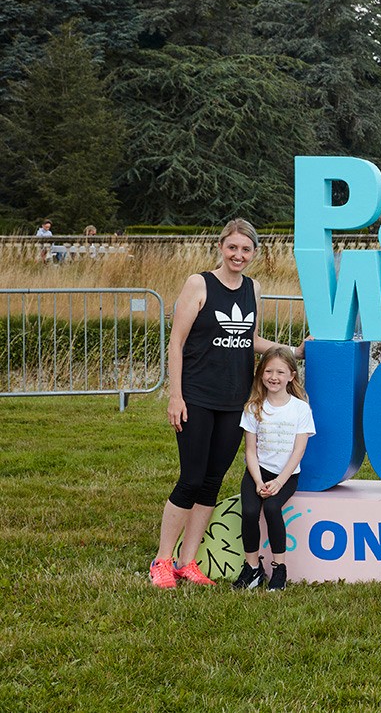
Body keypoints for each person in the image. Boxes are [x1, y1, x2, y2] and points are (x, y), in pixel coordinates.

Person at [150, 218, 305, 589]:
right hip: (197, 398)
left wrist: (293, 351)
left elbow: (247, 337)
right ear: (221, 247)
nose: (239, 255)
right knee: (190, 479)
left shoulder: (253, 288)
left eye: (246, 249)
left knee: (212, 483)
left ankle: (188, 563)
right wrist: (176, 395)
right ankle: (162, 561)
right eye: (233, 247)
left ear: (254, 253)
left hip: (235, 403)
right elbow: (176, 342)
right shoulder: (198, 284)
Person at [232, 346, 315, 592]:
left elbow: (298, 451)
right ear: (261, 374)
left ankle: (279, 568)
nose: (274, 377)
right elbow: (250, 451)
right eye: (268, 371)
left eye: (280, 371)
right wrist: (258, 481)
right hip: (258, 472)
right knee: (248, 511)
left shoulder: (300, 409)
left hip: (286, 475)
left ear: (291, 375)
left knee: (271, 507)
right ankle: (252, 568)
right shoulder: (254, 407)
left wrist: (279, 481)